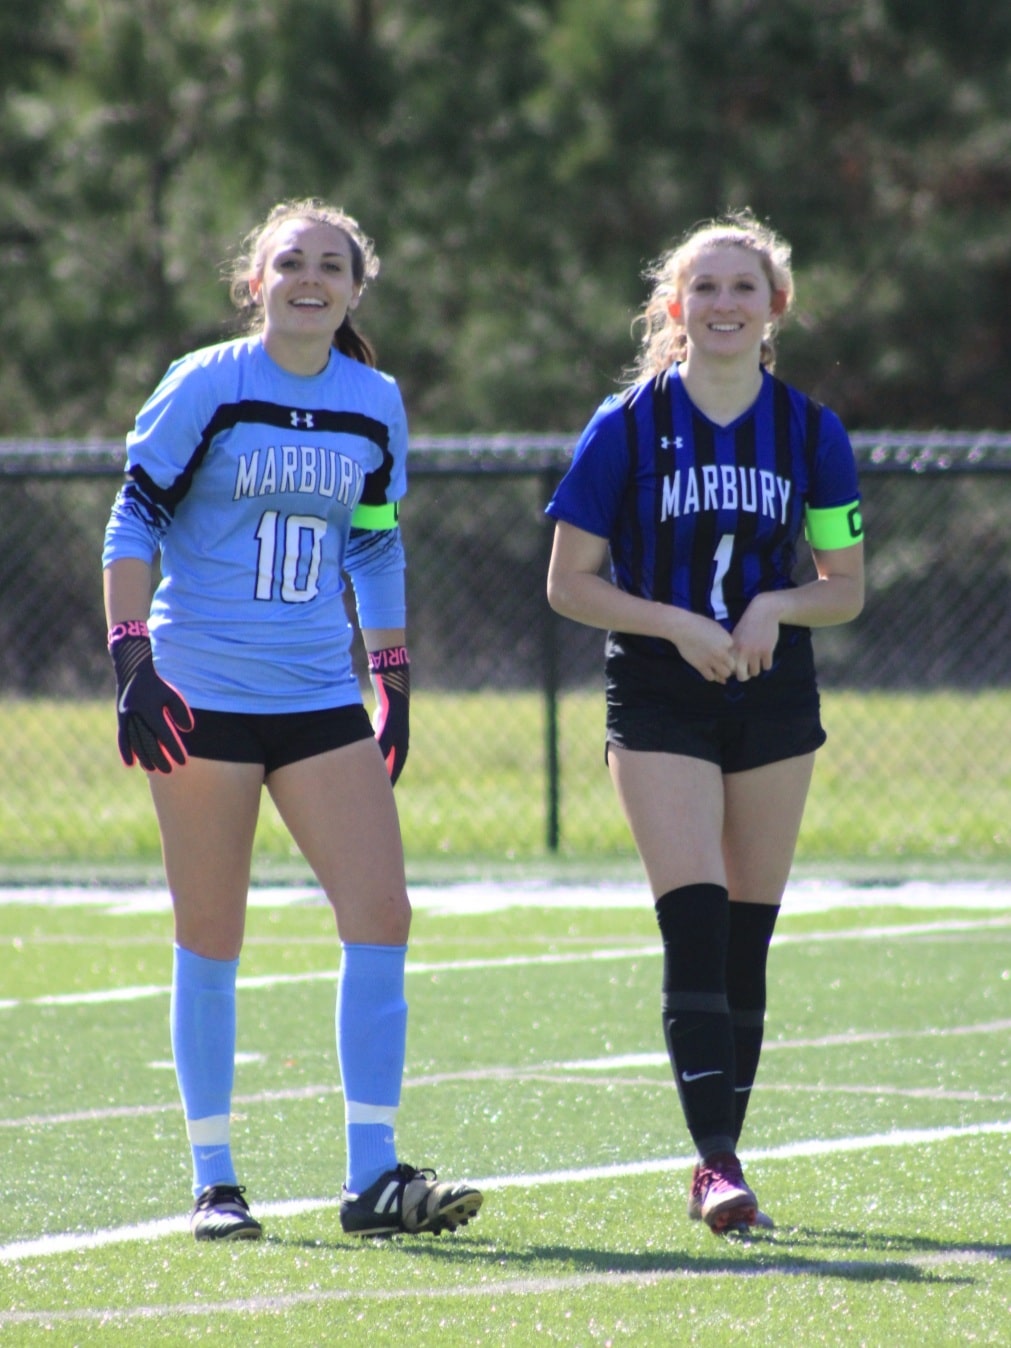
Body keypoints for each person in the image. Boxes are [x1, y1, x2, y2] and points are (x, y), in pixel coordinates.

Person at [102, 198, 482, 1242]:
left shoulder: (375, 401)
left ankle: (373, 1177)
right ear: (255, 282)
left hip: (317, 692)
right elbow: (133, 516)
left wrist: (391, 674)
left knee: (383, 912)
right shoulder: (207, 382)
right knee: (211, 933)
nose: (310, 278)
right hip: (201, 691)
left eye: (331, 265)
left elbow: (374, 539)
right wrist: (131, 658)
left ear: (356, 289)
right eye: (291, 262)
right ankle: (215, 1180)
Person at [545, 210, 864, 1235]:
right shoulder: (624, 425)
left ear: (776, 307)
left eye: (744, 286)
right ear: (674, 306)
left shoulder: (809, 430)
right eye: (706, 286)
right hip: (659, 689)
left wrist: (773, 606)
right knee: (693, 920)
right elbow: (568, 582)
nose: (725, 303)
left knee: (744, 940)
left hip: (771, 691)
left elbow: (845, 587)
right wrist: (677, 624)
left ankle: (721, 1152)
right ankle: (718, 1165)